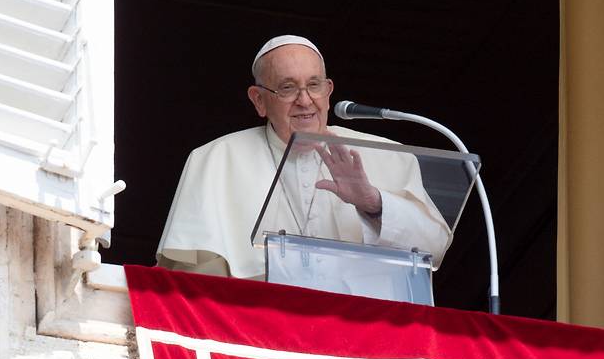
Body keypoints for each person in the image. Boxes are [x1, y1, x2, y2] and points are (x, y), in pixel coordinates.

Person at [157, 35, 451, 279]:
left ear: (329, 91)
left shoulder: (390, 157)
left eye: (314, 85)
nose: (304, 100)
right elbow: (190, 276)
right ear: (258, 100)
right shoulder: (216, 160)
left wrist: (372, 203)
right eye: (287, 87)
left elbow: (434, 250)